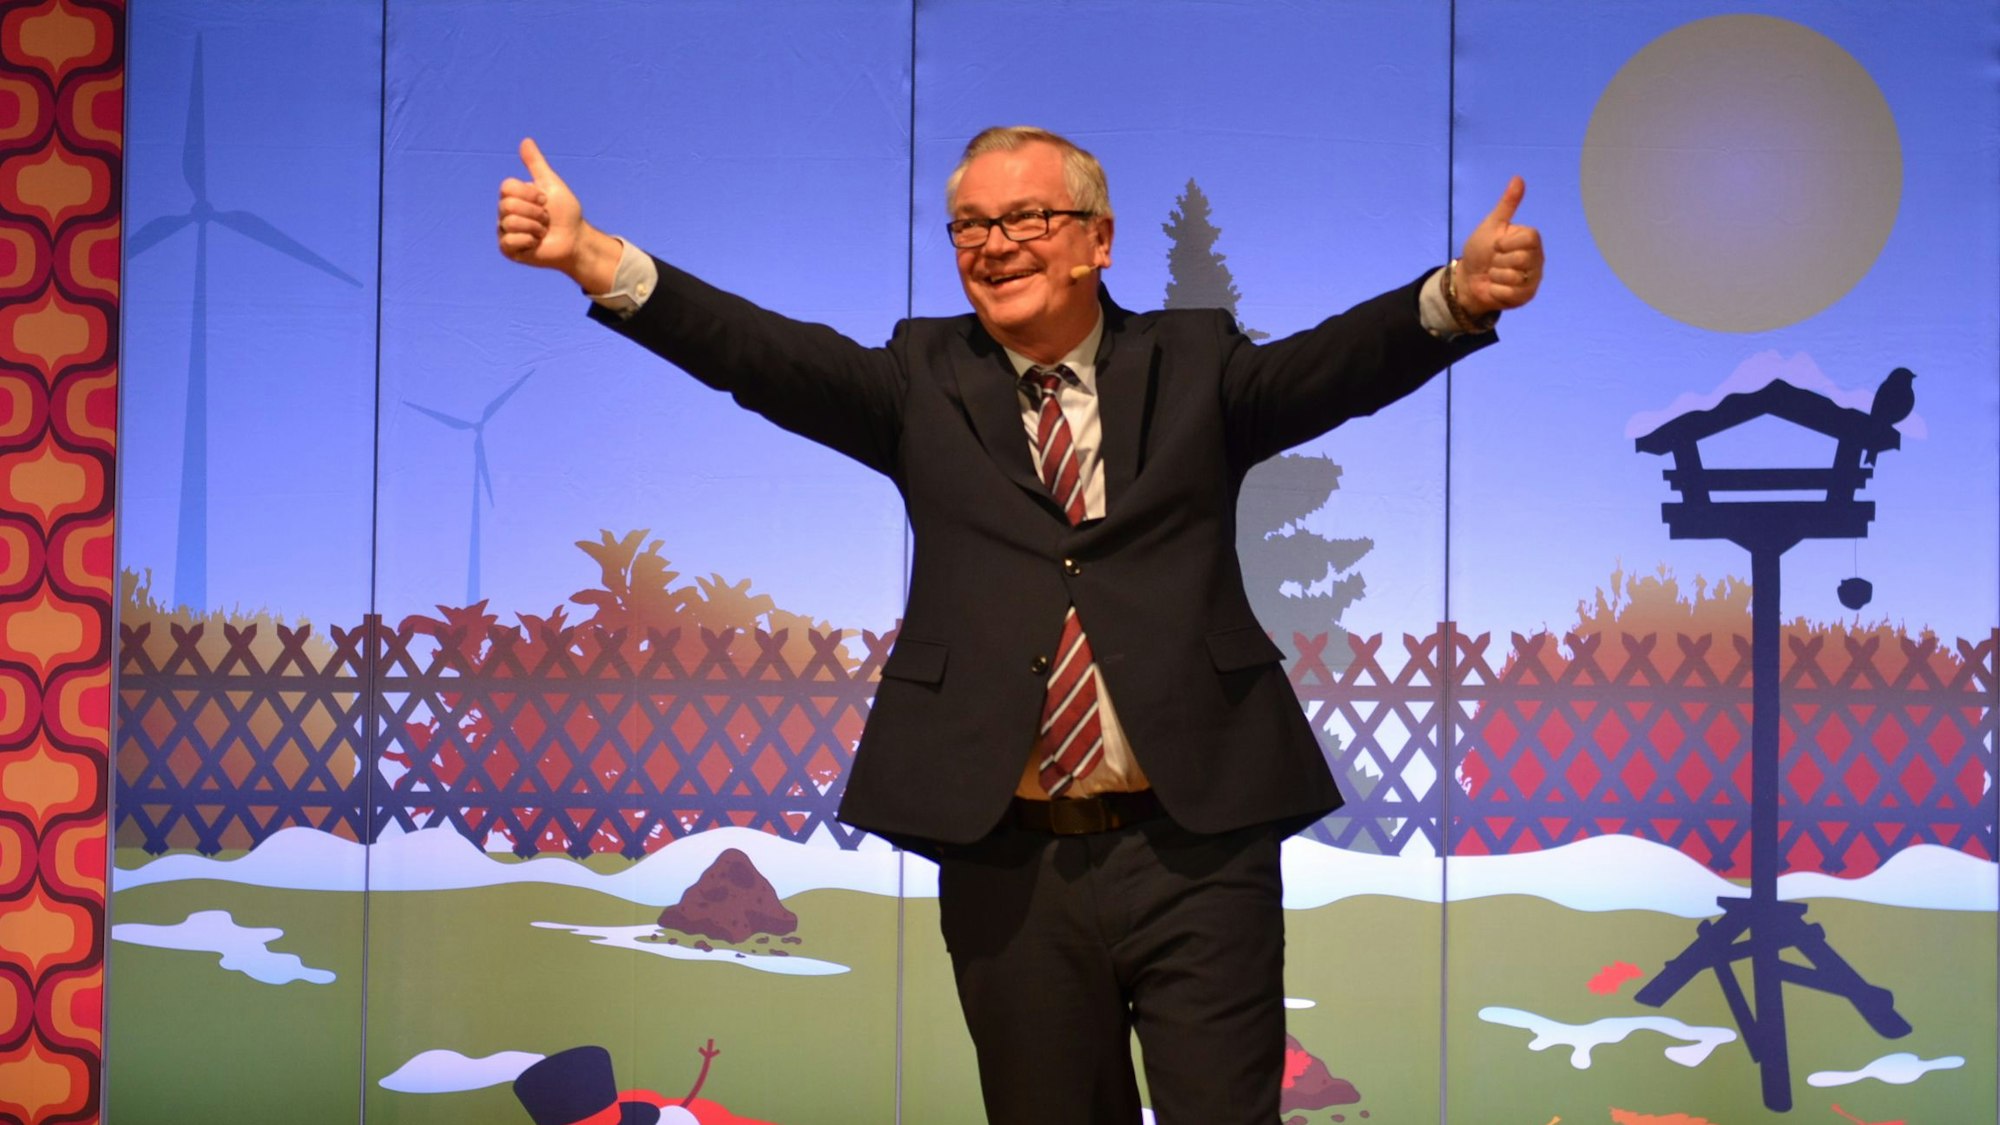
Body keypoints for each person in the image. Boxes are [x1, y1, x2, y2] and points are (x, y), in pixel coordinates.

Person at [498, 125, 1542, 1124]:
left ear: (1098, 239)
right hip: (1008, 858)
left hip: (1194, 844)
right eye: (969, 226)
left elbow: (1333, 366)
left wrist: (1454, 296)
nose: (993, 246)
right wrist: (594, 257)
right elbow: (760, 354)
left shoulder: (1191, 361)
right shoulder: (920, 377)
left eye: (1025, 218)